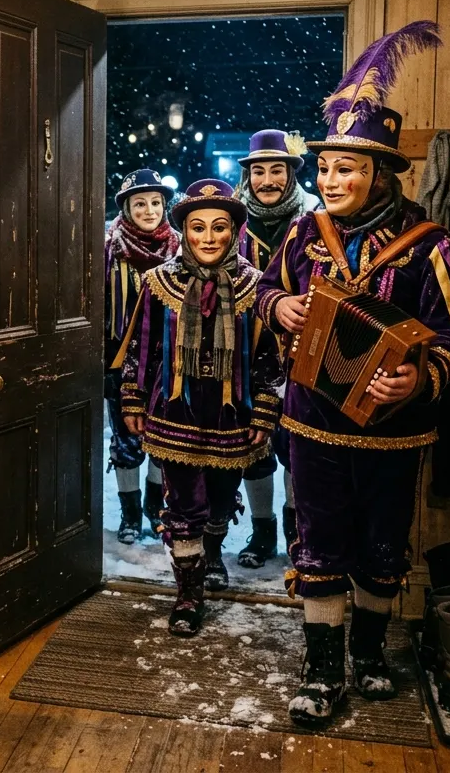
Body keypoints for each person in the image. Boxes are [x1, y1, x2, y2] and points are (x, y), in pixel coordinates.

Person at [255, 21, 450, 726]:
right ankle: (322, 672)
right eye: (324, 169)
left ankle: (371, 655)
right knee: (318, 538)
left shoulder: (430, 246)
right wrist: (282, 303)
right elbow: (263, 291)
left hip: (394, 432)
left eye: (346, 169)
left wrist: (419, 379)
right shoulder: (301, 235)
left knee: (382, 543)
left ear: (381, 174)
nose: (330, 181)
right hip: (310, 423)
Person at [119, 179, 283, 636]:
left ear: (234, 231)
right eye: (197, 228)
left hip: (233, 416)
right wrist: (132, 396)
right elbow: (142, 347)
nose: (208, 238)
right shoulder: (159, 283)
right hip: (175, 413)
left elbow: (270, 355)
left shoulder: (255, 285)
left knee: (220, 500)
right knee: (185, 503)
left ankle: (212, 555)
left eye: (219, 227)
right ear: (183, 231)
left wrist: (266, 407)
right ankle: (188, 592)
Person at [233, 128, 320, 570]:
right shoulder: (232, 223)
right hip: (245, 355)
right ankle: (263, 530)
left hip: (299, 354)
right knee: (254, 447)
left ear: (291, 174)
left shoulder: (315, 222)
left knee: (295, 449)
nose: (268, 180)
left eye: (277, 170)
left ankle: (295, 532)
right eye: (259, 171)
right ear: (248, 176)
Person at [105, 169, 179, 543]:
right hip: (120, 362)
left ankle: (155, 507)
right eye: (139, 204)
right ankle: (130, 514)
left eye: (155, 203)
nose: (149, 210)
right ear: (126, 208)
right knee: (125, 440)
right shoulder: (108, 246)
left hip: (169, 363)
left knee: (162, 440)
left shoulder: (180, 247)